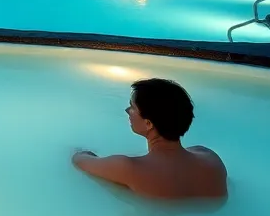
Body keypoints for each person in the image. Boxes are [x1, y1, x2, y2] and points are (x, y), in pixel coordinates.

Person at [72, 78, 227, 199]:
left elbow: (79, 160)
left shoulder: (128, 168)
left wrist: (79, 150)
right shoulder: (212, 159)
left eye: (132, 107)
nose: (127, 111)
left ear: (148, 124)